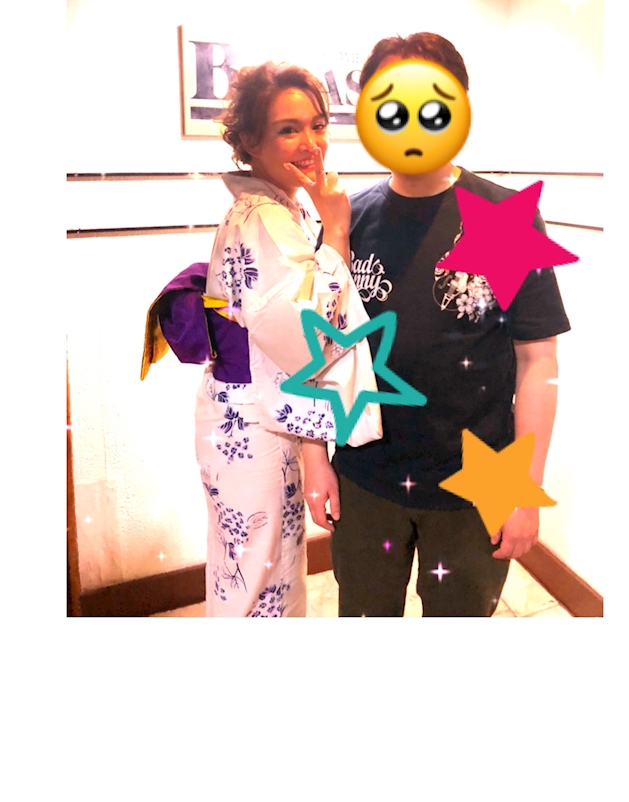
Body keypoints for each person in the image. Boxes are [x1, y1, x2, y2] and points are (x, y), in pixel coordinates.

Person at [326, 32, 572, 617]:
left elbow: (538, 360)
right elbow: (325, 351)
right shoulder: (347, 220)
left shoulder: (506, 218)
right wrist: (317, 459)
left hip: (478, 484)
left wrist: (525, 489)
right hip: (365, 478)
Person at [193, 62, 379, 617]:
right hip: (256, 426)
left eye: (318, 125)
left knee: (248, 574)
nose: (311, 143)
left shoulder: (272, 209)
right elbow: (306, 338)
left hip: (246, 415)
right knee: (260, 587)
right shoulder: (264, 216)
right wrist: (337, 229)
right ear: (250, 140)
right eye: (288, 129)